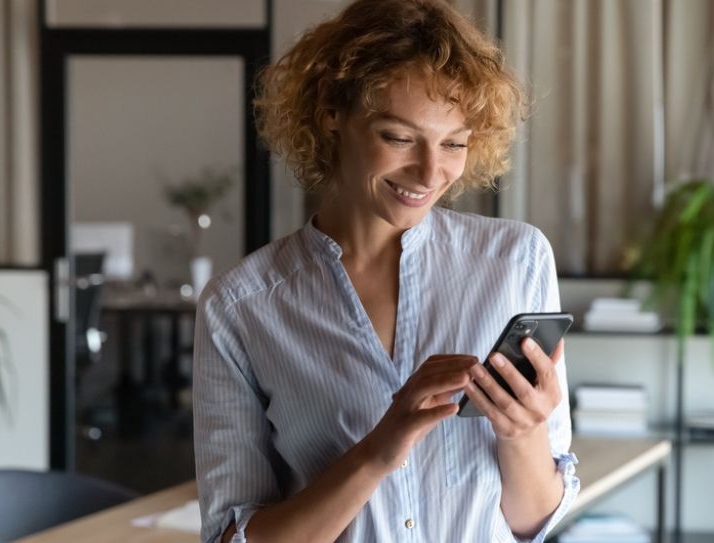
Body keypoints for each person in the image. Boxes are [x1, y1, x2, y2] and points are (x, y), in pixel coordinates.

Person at [193, 1, 579, 541]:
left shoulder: (517, 263)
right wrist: (378, 451)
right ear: (332, 113)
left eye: (454, 144)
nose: (429, 172)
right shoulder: (241, 306)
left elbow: (533, 521)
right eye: (399, 138)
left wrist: (523, 433)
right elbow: (232, 537)